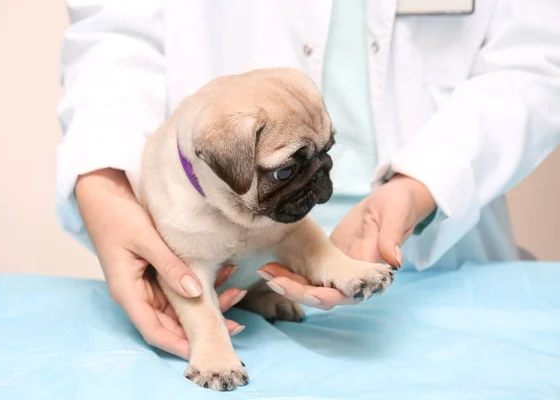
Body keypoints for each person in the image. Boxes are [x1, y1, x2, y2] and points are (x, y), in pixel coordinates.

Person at [56, 1, 560, 360]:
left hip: (441, 251)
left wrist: (425, 181)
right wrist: (101, 185)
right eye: (288, 168)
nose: (319, 179)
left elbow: (537, 62)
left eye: (325, 156)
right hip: (208, 217)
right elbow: (115, 34)